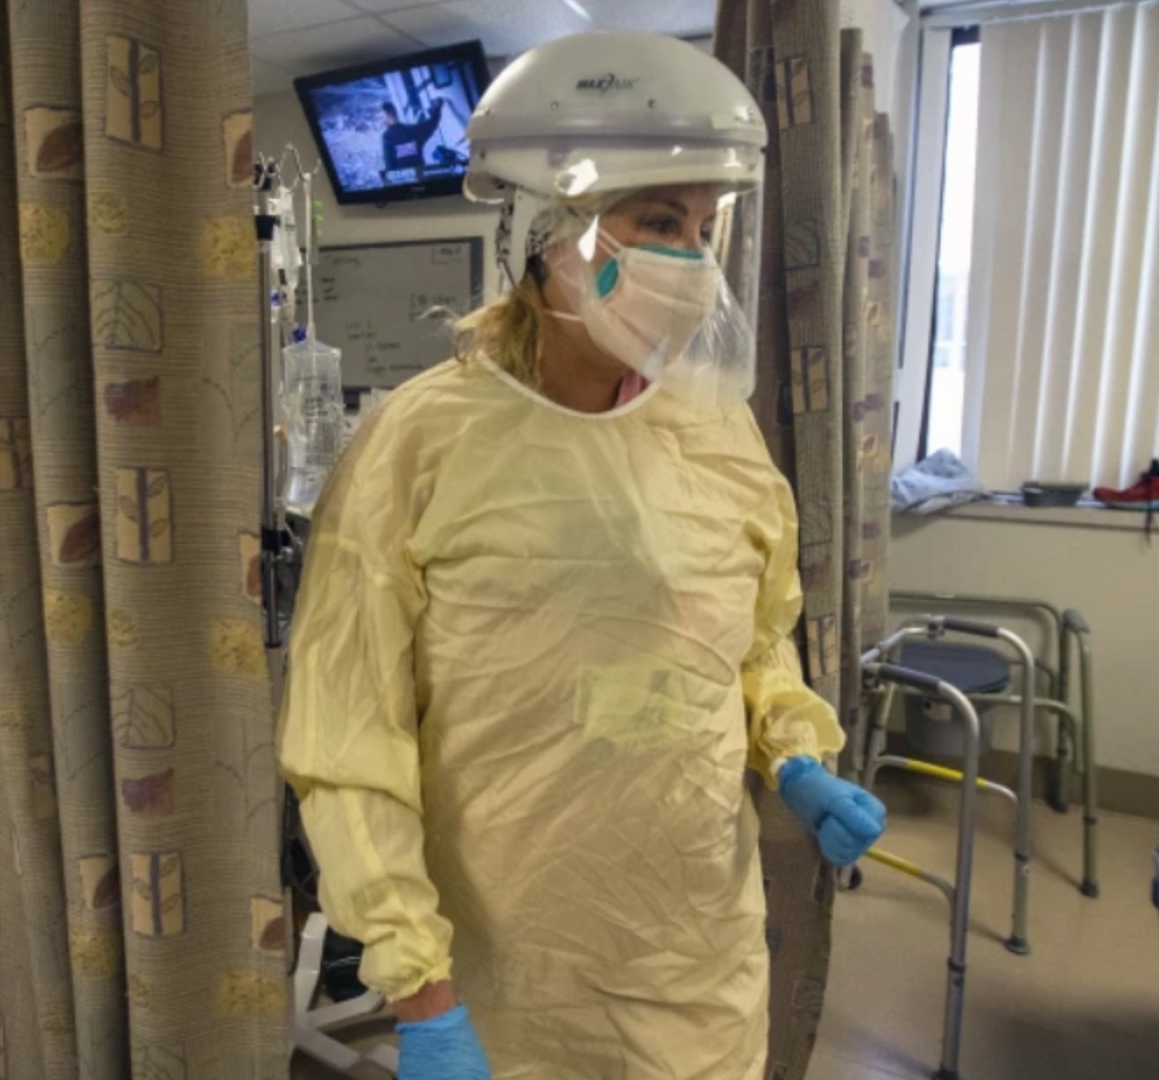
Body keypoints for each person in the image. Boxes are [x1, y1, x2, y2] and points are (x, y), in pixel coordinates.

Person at [280, 32, 887, 1080]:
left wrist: (790, 754)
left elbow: (748, 642)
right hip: (514, 968)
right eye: (660, 223)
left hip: (696, 946)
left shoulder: (713, 431)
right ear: (546, 226)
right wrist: (418, 986)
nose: (691, 263)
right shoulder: (420, 447)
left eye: (705, 227)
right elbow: (349, 735)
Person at [381, 94, 447, 182]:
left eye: (381, 116)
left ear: (387, 115)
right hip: (422, 179)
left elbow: (389, 167)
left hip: (404, 184)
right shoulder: (414, 131)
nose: (380, 119)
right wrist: (437, 107)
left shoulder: (387, 137)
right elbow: (433, 123)